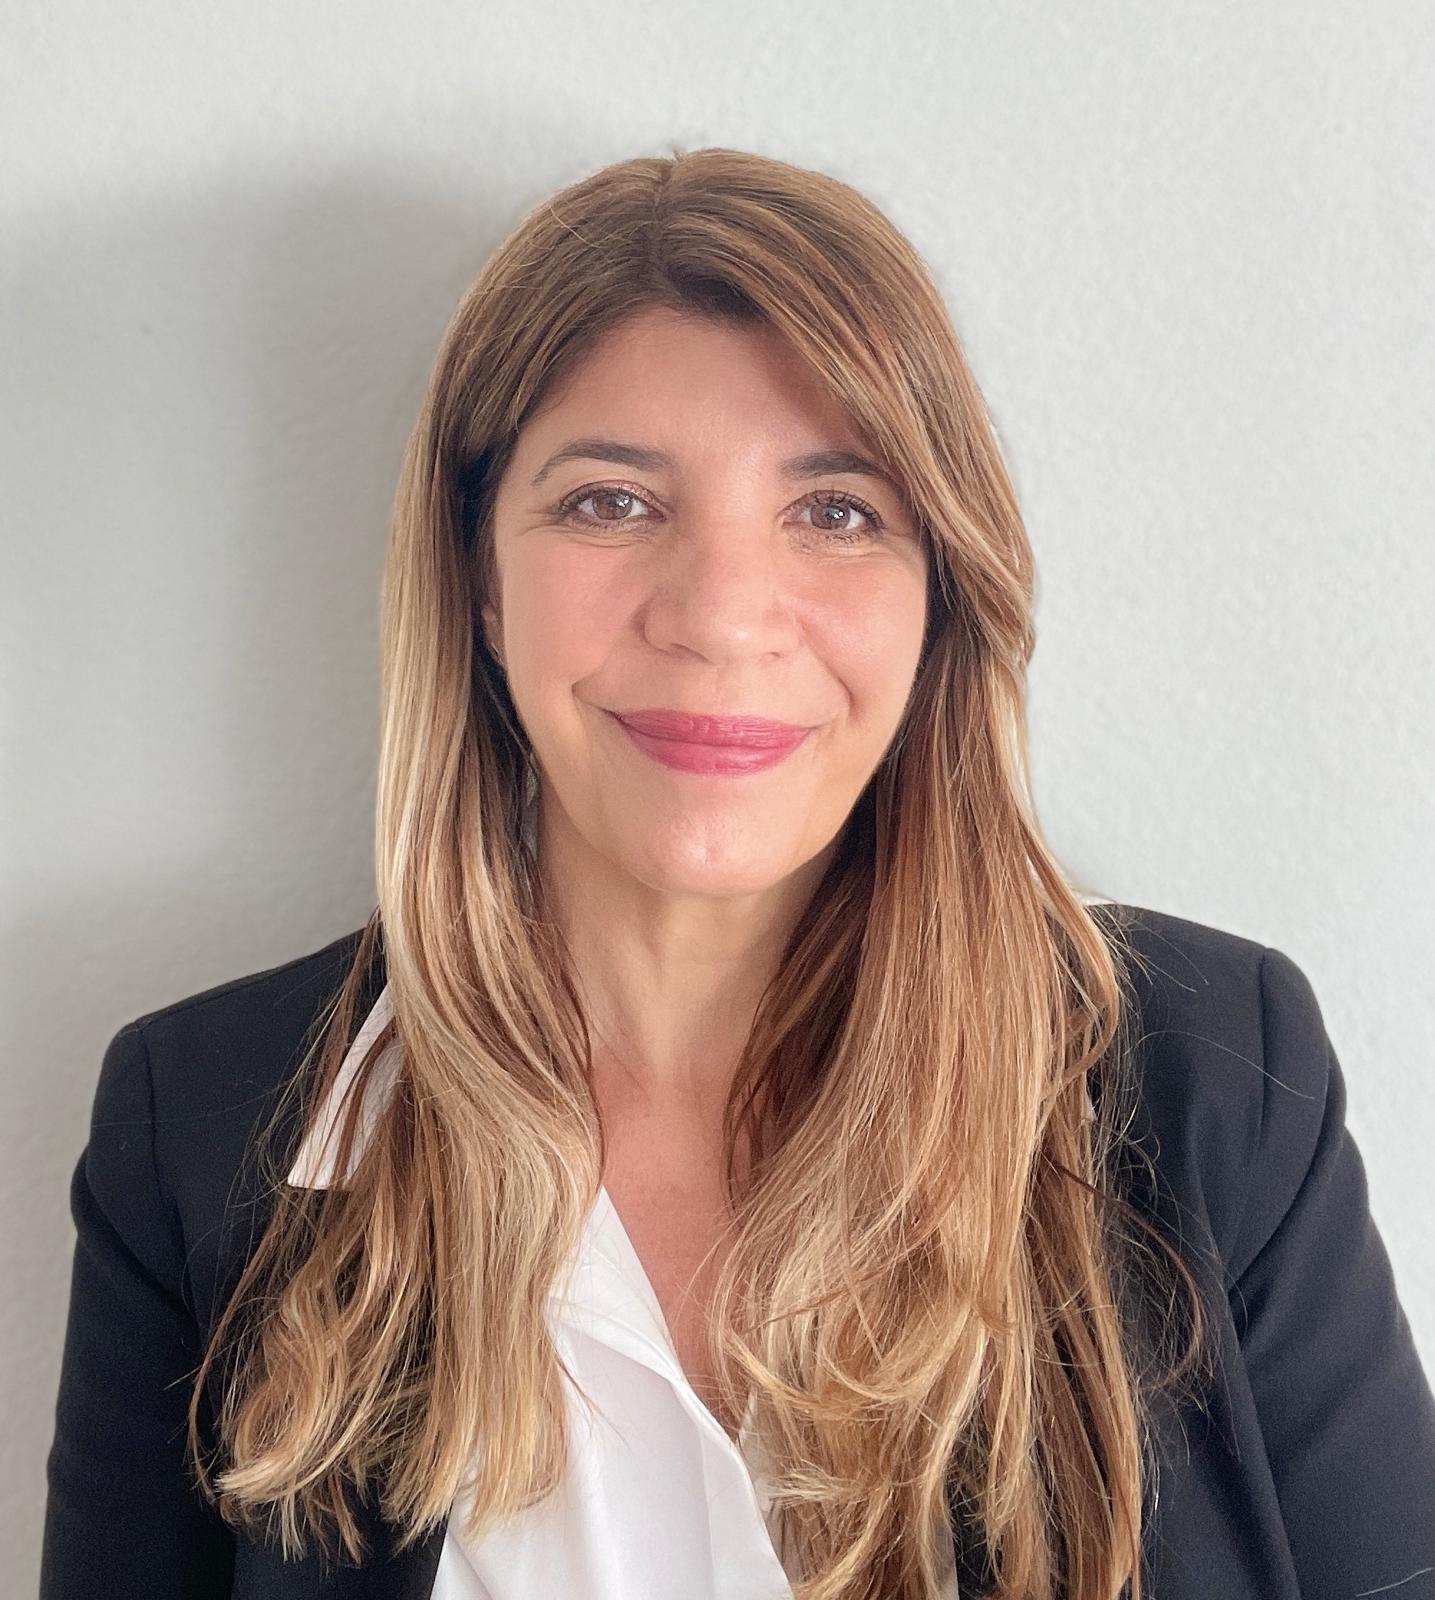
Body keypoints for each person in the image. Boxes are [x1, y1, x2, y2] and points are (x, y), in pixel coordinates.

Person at [40, 147, 1435, 1600]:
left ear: (941, 591)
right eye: (610, 503)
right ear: (481, 585)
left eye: (836, 511)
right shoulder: (196, 1131)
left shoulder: (1215, 1082)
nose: (719, 616)